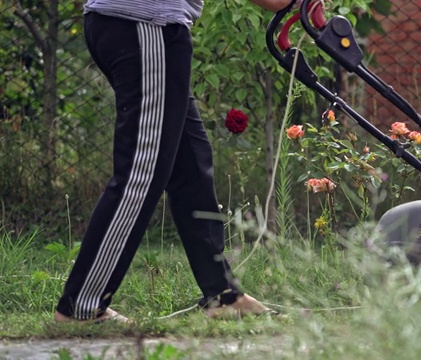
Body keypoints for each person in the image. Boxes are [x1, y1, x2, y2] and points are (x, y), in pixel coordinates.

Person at [54, 0, 295, 322]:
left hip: (137, 25)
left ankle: (222, 295)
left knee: (191, 166)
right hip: (144, 25)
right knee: (142, 171)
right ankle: (80, 306)